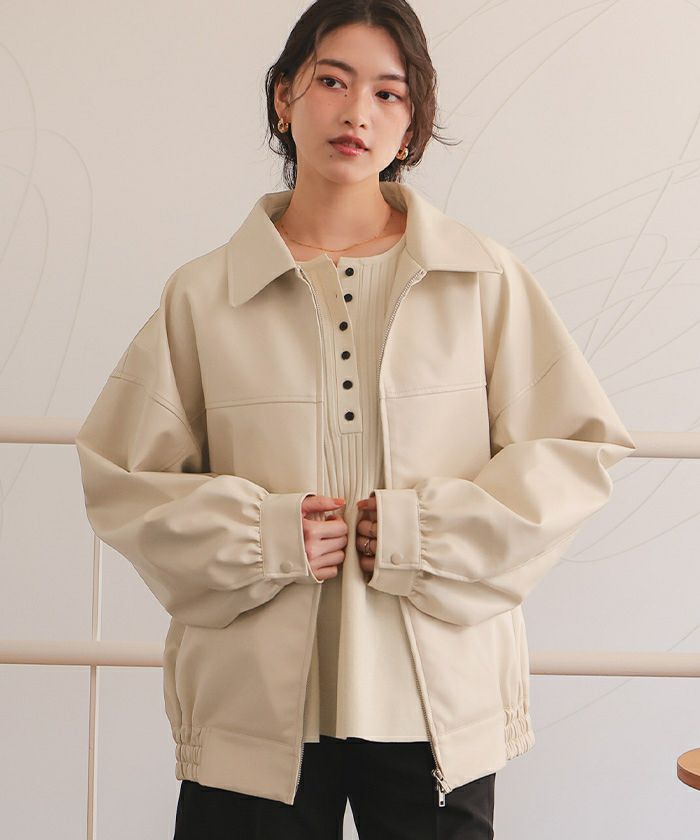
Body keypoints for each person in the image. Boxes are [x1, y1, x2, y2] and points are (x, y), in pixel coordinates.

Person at [73, 1, 637, 838]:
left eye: (388, 93)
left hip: (434, 701)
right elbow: (121, 478)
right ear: (283, 97)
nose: (357, 113)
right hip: (253, 708)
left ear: (412, 123)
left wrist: (426, 536)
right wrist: (262, 537)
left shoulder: (482, 279)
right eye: (332, 81)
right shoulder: (203, 295)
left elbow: (575, 451)